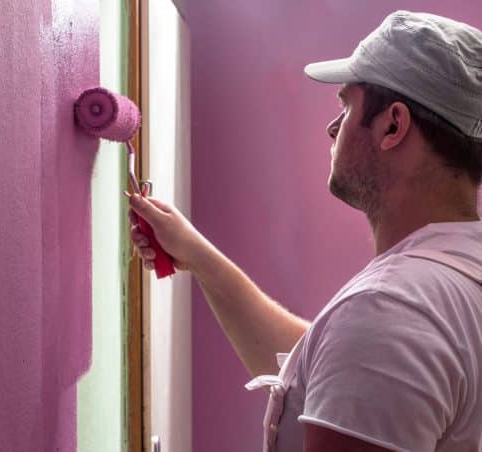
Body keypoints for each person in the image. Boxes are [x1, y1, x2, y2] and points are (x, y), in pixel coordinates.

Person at [127, 10, 482, 452]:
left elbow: (366, 349)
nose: (333, 128)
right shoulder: (454, 282)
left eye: (347, 106)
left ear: (393, 124)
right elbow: (335, 370)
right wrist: (200, 259)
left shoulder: (389, 311)